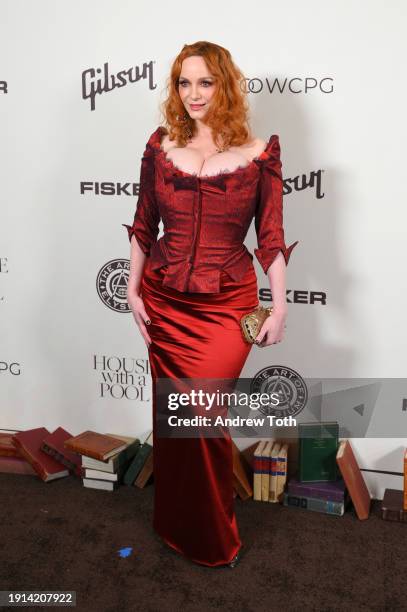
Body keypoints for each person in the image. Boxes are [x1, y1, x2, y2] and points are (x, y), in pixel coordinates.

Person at [123, 41, 298, 568]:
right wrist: (131, 290)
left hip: (227, 305)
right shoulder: (159, 145)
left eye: (205, 82)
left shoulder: (260, 152)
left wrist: (280, 305)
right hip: (163, 298)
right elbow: (142, 222)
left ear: (224, 85)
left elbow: (270, 237)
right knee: (177, 416)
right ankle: (175, 522)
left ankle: (211, 534)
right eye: (183, 83)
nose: (193, 94)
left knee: (204, 412)